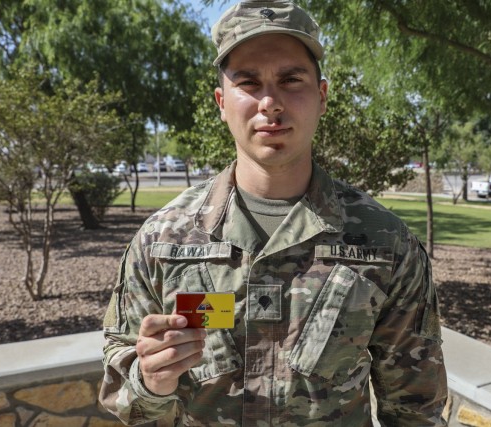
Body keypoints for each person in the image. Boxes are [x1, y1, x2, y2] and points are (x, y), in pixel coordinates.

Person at [99, 1, 448, 425]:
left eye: (291, 80)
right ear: (221, 103)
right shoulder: (163, 240)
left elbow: (415, 408)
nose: (270, 102)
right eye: (248, 83)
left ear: (321, 97)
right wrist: (148, 381)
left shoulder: (386, 244)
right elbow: (124, 396)